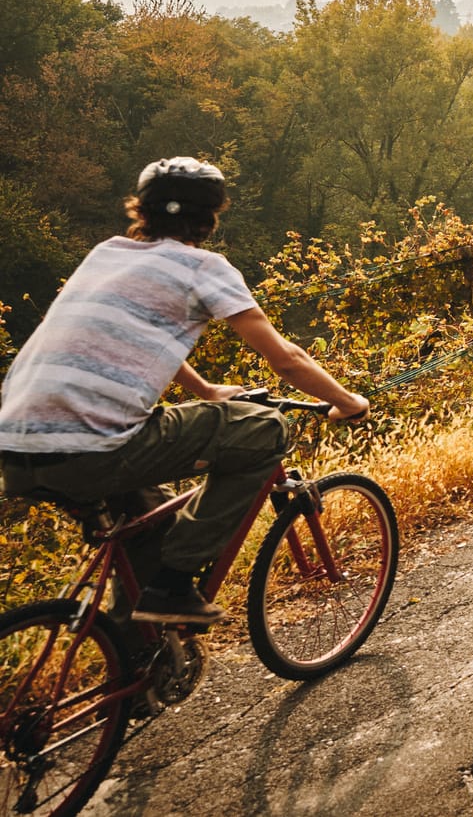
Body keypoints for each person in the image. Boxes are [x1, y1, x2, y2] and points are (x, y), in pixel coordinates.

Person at [0, 158, 370, 624]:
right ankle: (174, 586)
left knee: (149, 525)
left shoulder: (106, 254)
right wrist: (347, 401)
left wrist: (205, 389)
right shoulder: (202, 267)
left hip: (15, 449)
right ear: (209, 218)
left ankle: (130, 672)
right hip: (92, 450)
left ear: (143, 209)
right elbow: (285, 359)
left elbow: (126, 335)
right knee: (264, 430)